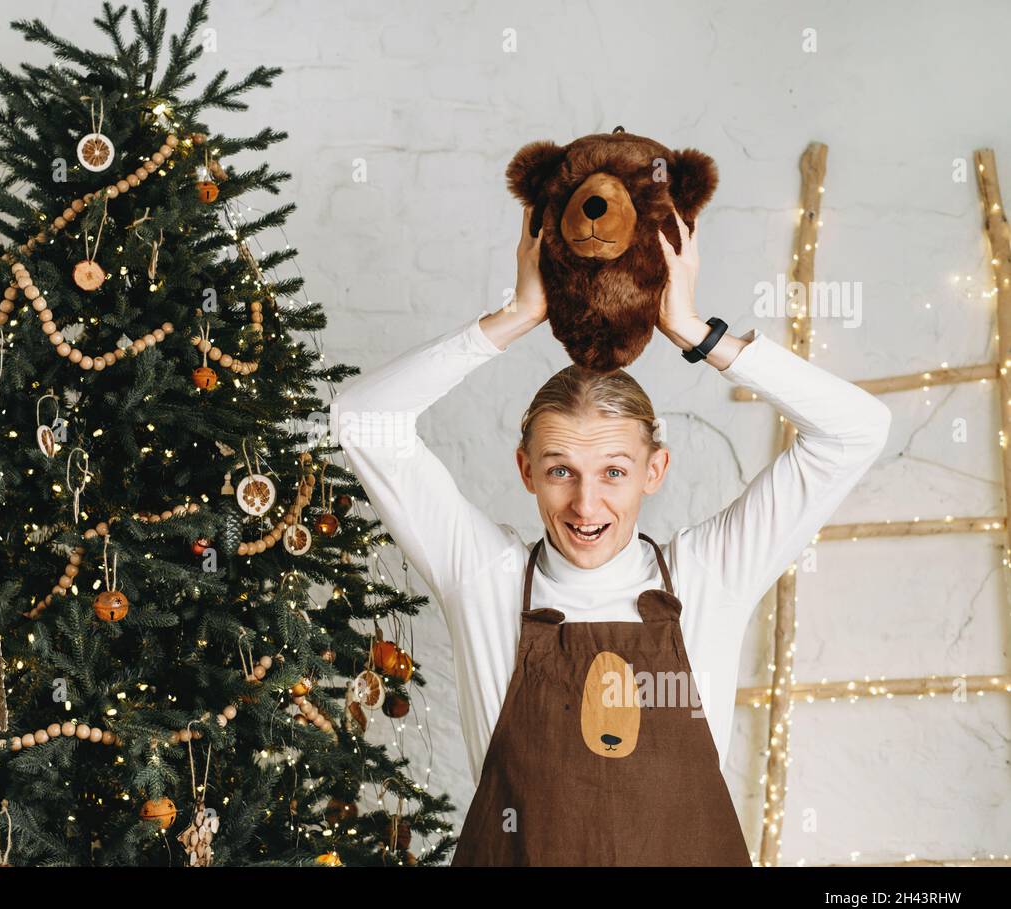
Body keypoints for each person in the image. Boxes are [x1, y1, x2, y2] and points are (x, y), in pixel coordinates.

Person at [328, 206, 892, 866]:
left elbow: (857, 430)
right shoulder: (484, 575)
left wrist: (694, 332)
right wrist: (517, 314)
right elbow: (361, 419)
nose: (586, 503)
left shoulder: (712, 573)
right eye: (561, 470)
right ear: (526, 472)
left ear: (655, 470)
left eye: (614, 472)